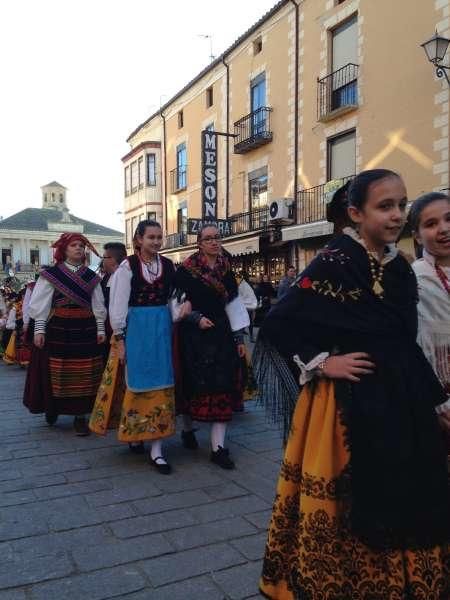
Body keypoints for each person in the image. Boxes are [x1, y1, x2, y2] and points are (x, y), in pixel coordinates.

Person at [254, 170, 449, 599]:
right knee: (352, 497)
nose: (397, 215)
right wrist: (325, 363)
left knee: (407, 488)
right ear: (356, 213)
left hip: (401, 398)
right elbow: (279, 323)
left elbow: (404, 340)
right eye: (385, 207)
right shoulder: (334, 260)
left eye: (401, 205)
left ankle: (401, 584)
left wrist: (434, 401)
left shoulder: (399, 267)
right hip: (345, 403)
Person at [90, 221, 181, 474]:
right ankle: (136, 434)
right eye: (151, 237)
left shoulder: (168, 266)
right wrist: (119, 338)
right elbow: (117, 305)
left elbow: (174, 298)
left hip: (161, 329)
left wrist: (178, 313)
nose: (156, 241)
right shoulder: (127, 268)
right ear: (139, 239)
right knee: (137, 381)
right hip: (137, 330)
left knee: (162, 382)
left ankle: (157, 449)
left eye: (159, 237)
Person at [175, 225, 248, 469]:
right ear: (199, 243)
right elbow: (177, 303)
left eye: (217, 238)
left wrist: (239, 338)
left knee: (223, 385)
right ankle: (187, 430)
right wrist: (195, 318)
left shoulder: (227, 267)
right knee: (192, 385)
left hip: (221, 333)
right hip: (193, 336)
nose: (214, 242)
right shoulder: (186, 269)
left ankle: (218, 448)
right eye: (208, 239)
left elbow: (234, 303)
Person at [23, 232, 107, 436]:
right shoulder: (52, 275)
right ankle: (53, 409)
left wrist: (101, 328)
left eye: (81, 245)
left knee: (86, 371)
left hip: (86, 329)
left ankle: (81, 416)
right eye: (74, 245)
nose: (79, 248)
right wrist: (40, 329)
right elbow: (41, 304)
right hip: (58, 328)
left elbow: (98, 305)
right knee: (56, 370)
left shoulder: (91, 276)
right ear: (64, 250)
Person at [410, 192, 450, 449]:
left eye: (448, 219)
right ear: (416, 235)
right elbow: (410, 350)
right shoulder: (412, 280)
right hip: (438, 405)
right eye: (431, 224)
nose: (444, 229)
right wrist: (438, 404)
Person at [237, 271, 257, 342]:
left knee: (247, 320)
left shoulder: (243, 284)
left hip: (246, 305)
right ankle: (248, 335)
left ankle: (248, 335)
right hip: (246, 304)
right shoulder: (241, 284)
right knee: (248, 320)